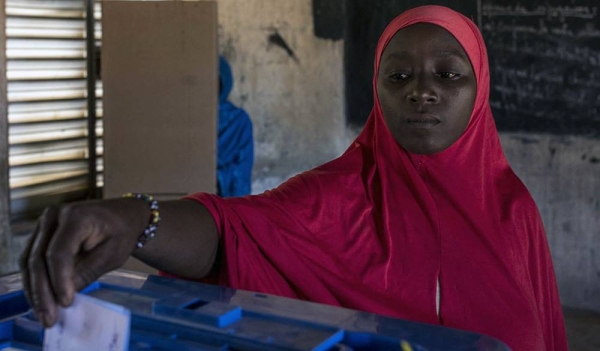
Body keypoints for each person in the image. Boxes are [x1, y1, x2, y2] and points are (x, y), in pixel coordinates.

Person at [20, 5, 568, 350]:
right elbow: (233, 232)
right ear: (376, 91)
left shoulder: (511, 209)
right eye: (397, 75)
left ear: (480, 92)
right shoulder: (334, 197)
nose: (421, 92)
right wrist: (137, 217)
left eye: (448, 75)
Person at [217, 55, 254, 197]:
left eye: (216, 83)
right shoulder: (188, 120)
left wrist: (216, 178)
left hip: (226, 204)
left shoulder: (239, 121)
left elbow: (242, 170)